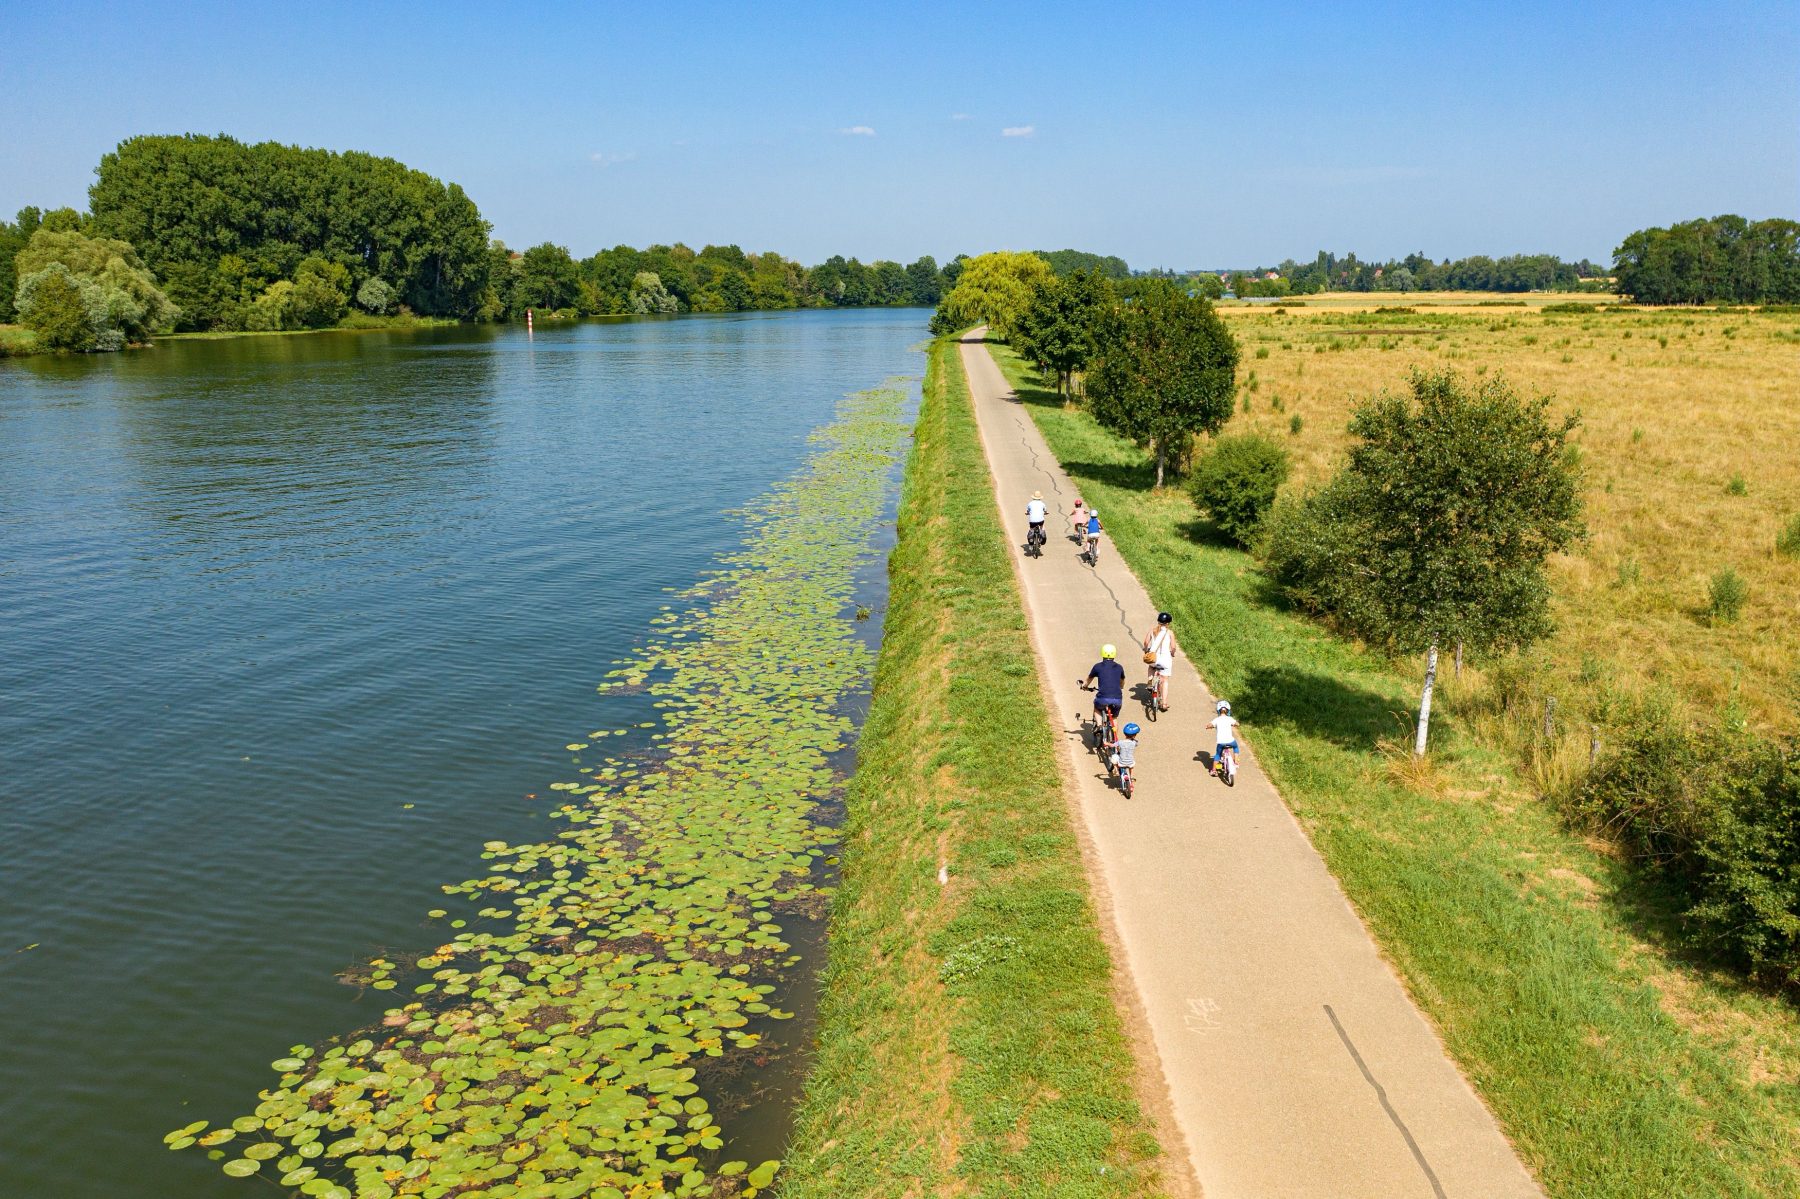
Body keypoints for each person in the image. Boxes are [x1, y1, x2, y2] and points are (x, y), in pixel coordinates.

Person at [1083, 644, 1126, 731]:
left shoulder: (1097, 666)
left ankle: (1099, 726)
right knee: (1114, 717)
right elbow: (1122, 680)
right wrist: (1121, 687)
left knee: (1097, 708)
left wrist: (1084, 686)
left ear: (1102, 653)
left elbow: (1089, 678)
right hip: (1117, 699)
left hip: (1103, 698)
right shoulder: (1119, 667)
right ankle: (1114, 740)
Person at [1143, 612, 1176, 712]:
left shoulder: (1152, 631)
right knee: (1164, 680)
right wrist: (1172, 653)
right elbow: (1173, 647)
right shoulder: (1170, 633)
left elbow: (1145, 642)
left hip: (1154, 658)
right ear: (1168, 623)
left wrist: (1146, 650)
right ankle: (1164, 704)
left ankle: (1150, 681)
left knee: (1151, 666)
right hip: (1165, 660)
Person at [1210, 700, 1240, 777]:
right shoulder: (1230, 719)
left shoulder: (1216, 720)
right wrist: (1235, 724)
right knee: (1236, 747)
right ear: (1228, 710)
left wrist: (1208, 726)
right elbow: (1237, 724)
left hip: (1221, 742)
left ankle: (1213, 770)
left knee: (1217, 755)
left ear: (1218, 711)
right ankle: (1236, 762)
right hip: (1230, 741)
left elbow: (1210, 725)